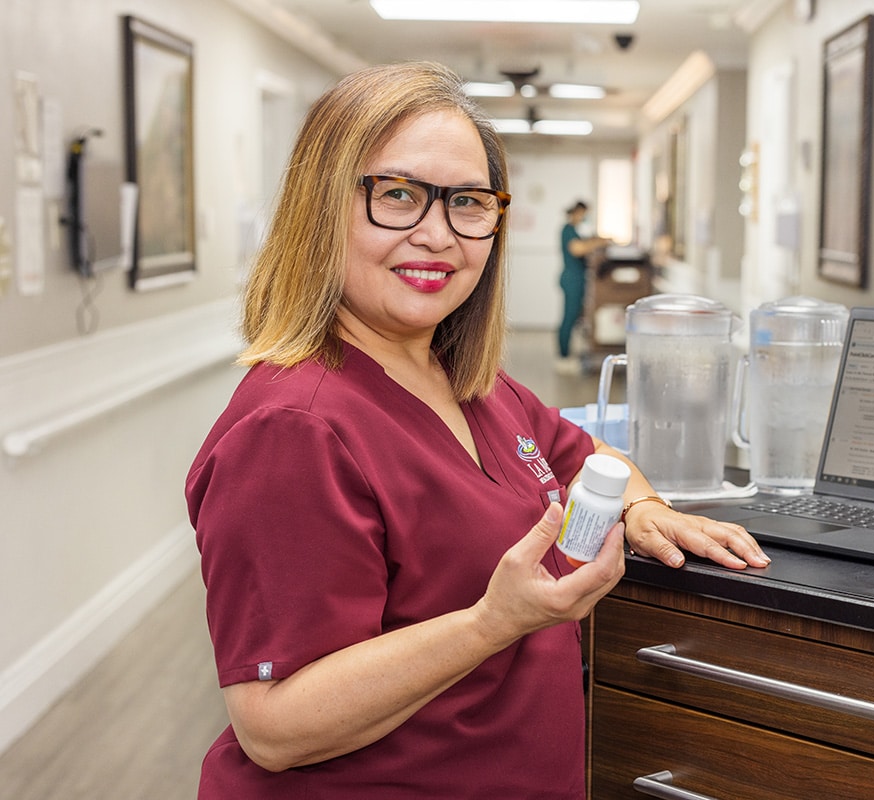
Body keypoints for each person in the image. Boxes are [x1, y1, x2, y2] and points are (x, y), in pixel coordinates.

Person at [185, 61, 769, 799]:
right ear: (320, 204)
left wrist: (642, 505)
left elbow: (589, 455)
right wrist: (494, 622)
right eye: (396, 195)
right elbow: (273, 726)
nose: (437, 235)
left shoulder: (466, 381)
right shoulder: (293, 428)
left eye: (467, 202)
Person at [556, 200, 608, 374]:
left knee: (575, 317)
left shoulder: (576, 231)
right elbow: (577, 249)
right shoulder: (567, 230)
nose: (585, 217)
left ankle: (568, 354)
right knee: (569, 318)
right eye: (584, 214)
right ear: (577, 212)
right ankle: (563, 358)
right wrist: (598, 243)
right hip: (571, 279)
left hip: (577, 279)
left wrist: (597, 239)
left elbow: (585, 242)